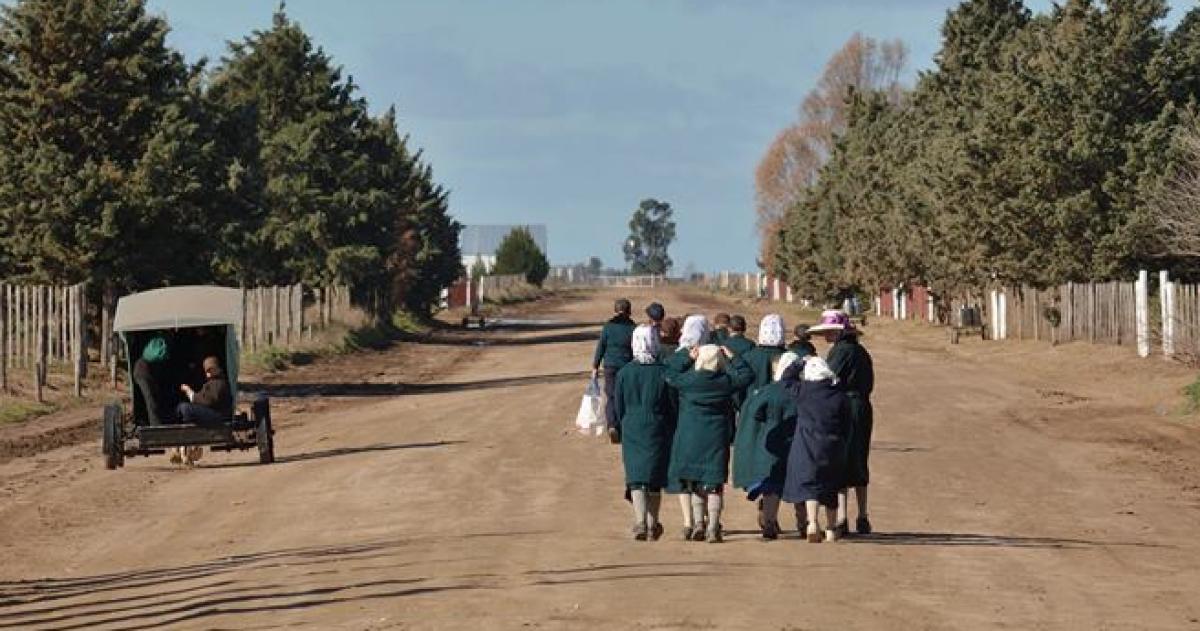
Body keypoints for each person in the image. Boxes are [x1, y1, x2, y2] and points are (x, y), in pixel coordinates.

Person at [665, 344, 752, 543]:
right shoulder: (725, 382)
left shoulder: (688, 381)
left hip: (689, 436)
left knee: (694, 481)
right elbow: (747, 376)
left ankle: (698, 524)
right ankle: (713, 526)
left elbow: (669, 373)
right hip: (715, 436)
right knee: (714, 483)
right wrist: (732, 357)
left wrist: (687, 358)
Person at [809, 309, 875, 535]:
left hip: (845, 407)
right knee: (860, 459)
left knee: (841, 460)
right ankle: (863, 515)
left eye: (829, 331)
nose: (826, 335)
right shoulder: (861, 351)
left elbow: (828, 378)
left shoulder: (841, 351)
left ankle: (842, 517)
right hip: (863, 407)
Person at [781, 356, 852, 543]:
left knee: (810, 485)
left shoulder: (803, 392)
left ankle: (812, 523)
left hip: (807, 445)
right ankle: (831, 528)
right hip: (833, 446)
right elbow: (847, 424)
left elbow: (786, 379)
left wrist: (799, 362)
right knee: (831, 485)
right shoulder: (840, 396)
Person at [614, 325, 675, 541]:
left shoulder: (624, 373)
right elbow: (672, 405)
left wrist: (621, 426)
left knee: (636, 477)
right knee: (654, 478)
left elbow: (618, 405)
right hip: (657, 427)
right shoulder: (664, 372)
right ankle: (653, 523)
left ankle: (639, 521)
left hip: (632, 426)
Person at [732, 351, 801, 539]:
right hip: (800, 440)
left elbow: (754, 411)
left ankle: (769, 521)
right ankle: (804, 522)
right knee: (800, 481)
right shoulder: (804, 390)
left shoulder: (769, 390)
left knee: (772, 484)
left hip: (774, 437)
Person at [664, 314, 710, 535]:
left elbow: (668, 384)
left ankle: (687, 522)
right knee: (703, 473)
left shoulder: (675, 359)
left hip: (680, 423)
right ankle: (703, 519)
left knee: (683, 475)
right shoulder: (711, 355)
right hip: (706, 422)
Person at [591, 299, 636, 444]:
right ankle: (623, 426)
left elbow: (601, 347)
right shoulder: (633, 327)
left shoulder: (608, 326)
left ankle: (612, 425)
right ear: (629, 311)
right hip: (627, 366)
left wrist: (595, 366)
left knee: (611, 396)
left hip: (610, 366)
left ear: (615, 310)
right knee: (625, 396)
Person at [177, 356, 233, 426]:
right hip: (212, 413)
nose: (209, 372)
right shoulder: (211, 382)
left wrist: (190, 393)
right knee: (181, 407)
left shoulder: (219, 382)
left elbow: (209, 401)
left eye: (211, 369)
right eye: (207, 370)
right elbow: (202, 398)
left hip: (219, 416)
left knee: (185, 408)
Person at [132, 335, 172, 426]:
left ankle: (155, 423)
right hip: (142, 370)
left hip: (144, 367)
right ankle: (155, 426)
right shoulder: (143, 370)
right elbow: (151, 401)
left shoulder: (155, 345)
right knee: (150, 400)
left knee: (152, 400)